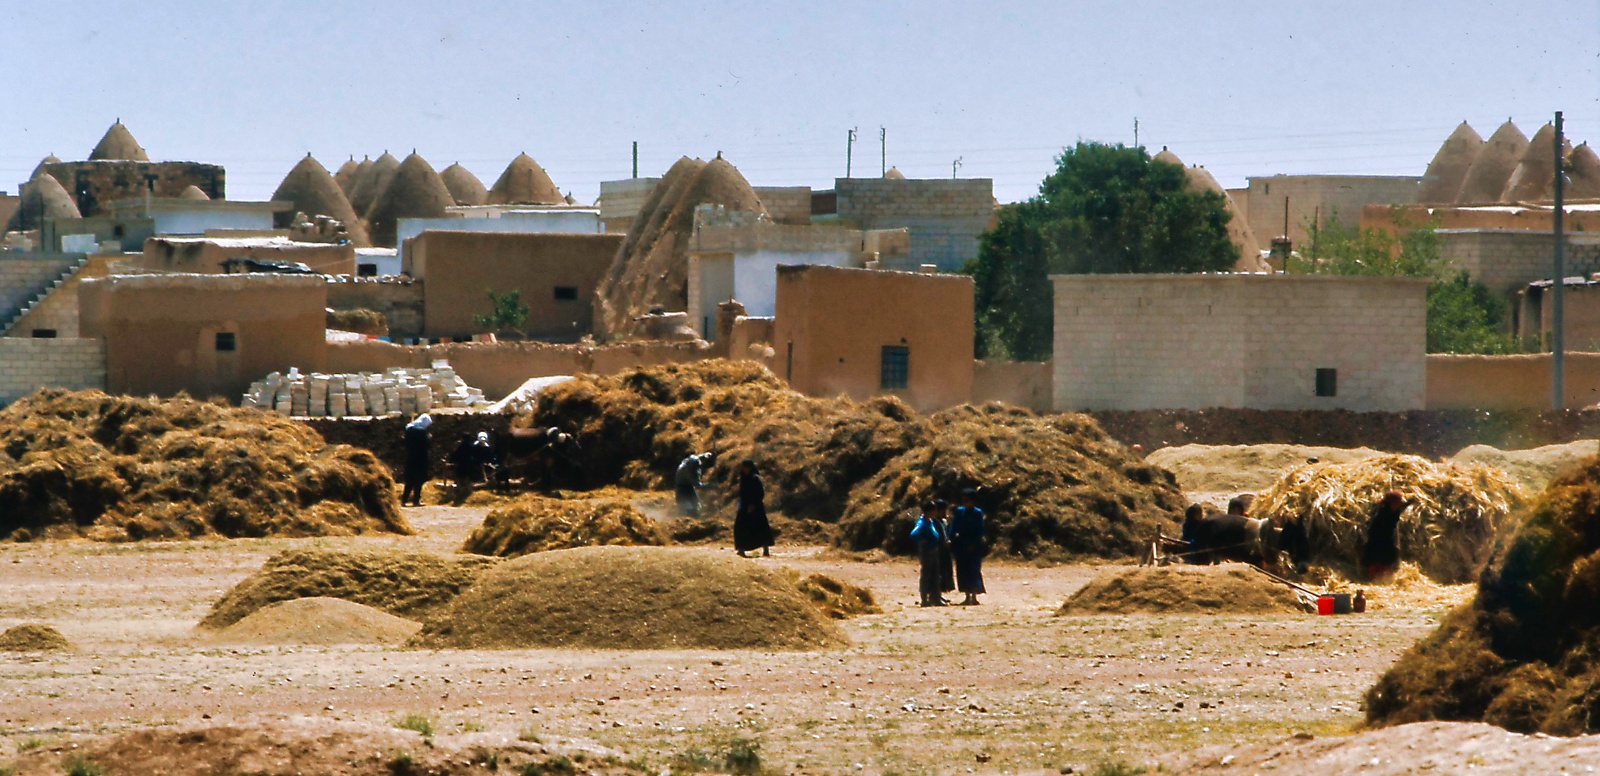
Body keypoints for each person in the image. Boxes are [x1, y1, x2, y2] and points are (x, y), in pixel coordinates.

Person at [948, 488, 987, 605]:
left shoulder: (977, 513)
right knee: (962, 570)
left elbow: (980, 530)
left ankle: (974, 595)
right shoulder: (960, 511)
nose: (964, 502)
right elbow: (954, 526)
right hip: (961, 544)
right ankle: (966, 596)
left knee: (973, 570)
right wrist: (950, 538)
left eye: (967, 500)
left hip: (974, 545)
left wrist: (974, 543)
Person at [1362, 490, 1407, 582]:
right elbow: (1375, 532)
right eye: (1397, 504)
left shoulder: (1394, 512)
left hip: (1387, 542)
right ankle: (1373, 578)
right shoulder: (1382, 515)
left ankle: (1384, 578)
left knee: (1388, 559)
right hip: (1378, 543)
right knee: (1378, 561)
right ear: (1391, 504)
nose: (1398, 506)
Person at [910, 500, 948, 607]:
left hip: (934, 551)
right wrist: (922, 540)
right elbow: (914, 533)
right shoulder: (922, 522)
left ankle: (936, 598)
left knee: (935, 575)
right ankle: (924, 599)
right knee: (926, 575)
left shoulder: (930, 521)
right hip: (927, 552)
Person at [734, 458, 773, 557]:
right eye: (744, 467)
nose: (746, 469)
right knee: (740, 527)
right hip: (744, 507)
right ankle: (741, 549)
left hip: (756, 507)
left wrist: (753, 504)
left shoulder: (755, 478)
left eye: (747, 467)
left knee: (760, 527)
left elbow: (760, 493)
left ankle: (765, 549)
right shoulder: (743, 478)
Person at [400, 413, 432, 506]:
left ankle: (404, 500)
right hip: (420, 459)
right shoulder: (422, 433)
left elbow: (405, 443)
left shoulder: (409, 430)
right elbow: (426, 445)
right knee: (418, 481)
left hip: (410, 458)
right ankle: (416, 500)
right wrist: (429, 438)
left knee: (409, 480)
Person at [675, 452, 714, 516]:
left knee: (697, 506)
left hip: (690, 487)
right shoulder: (686, 471)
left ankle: (697, 515)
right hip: (681, 489)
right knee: (686, 508)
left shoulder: (692, 461)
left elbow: (697, 457)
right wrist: (710, 486)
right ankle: (685, 516)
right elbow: (697, 485)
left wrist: (705, 455)